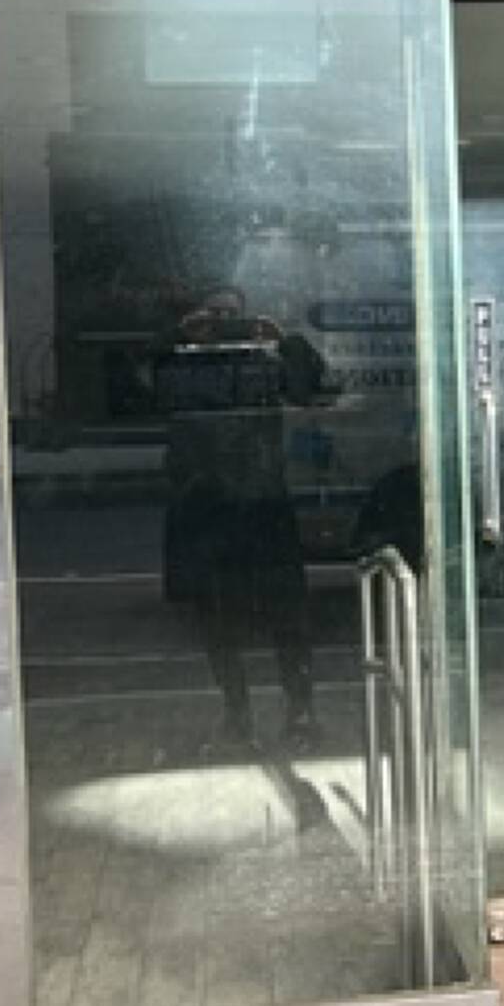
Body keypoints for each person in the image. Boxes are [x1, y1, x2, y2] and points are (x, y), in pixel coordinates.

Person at [156, 284, 329, 749]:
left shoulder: (263, 358)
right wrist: (177, 339)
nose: (224, 327)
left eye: (232, 316)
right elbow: (139, 391)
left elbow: (310, 388)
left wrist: (284, 340)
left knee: (287, 615)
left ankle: (300, 708)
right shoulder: (182, 360)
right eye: (214, 316)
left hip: (261, 501)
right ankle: (237, 713)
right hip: (206, 504)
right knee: (216, 620)